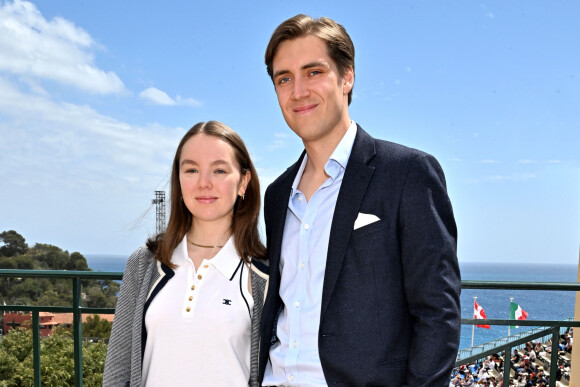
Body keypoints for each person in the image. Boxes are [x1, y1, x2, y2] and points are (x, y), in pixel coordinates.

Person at [259, 14, 461, 387]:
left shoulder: (407, 173)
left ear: (347, 76)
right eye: (283, 78)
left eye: (314, 72)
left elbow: (438, 314)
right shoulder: (276, 195)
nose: (297, 90)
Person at [103, 121, 269, 387]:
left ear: (243, 182)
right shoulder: (143, 264)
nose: (204, 183)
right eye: (191, 169)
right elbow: (118, 370)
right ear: (178, 182)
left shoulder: (265, 275)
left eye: (219, 170)